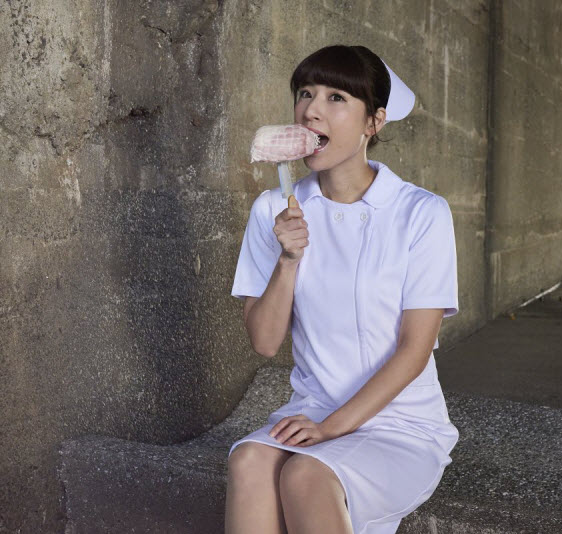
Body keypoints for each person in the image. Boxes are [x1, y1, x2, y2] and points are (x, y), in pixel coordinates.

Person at [225, 44, 460, 534]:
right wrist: (288, 261)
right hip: (311, 409)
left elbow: (415, 350)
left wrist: (331, 428)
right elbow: (264, 342)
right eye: (305, 94)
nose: (312, 110)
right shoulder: (273, 209)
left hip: (400, 423)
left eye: (336, 98)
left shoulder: (421, 213)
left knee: (306, 476)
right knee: (249, 461)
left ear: (374, 122)